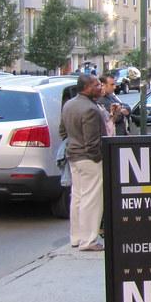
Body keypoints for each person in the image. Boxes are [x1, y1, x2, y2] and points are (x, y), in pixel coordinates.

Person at [58, 73, 108, 251]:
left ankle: (77, 237)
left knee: (78, 197)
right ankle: (89, 240)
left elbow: (62, 132)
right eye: (96, 84)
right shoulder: (90, 109)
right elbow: (92, 141)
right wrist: (97, 158)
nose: (99, 86)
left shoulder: (69, 104)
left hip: (73, 156)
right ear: (86, 87)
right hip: (88, 159)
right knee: (91, 200)